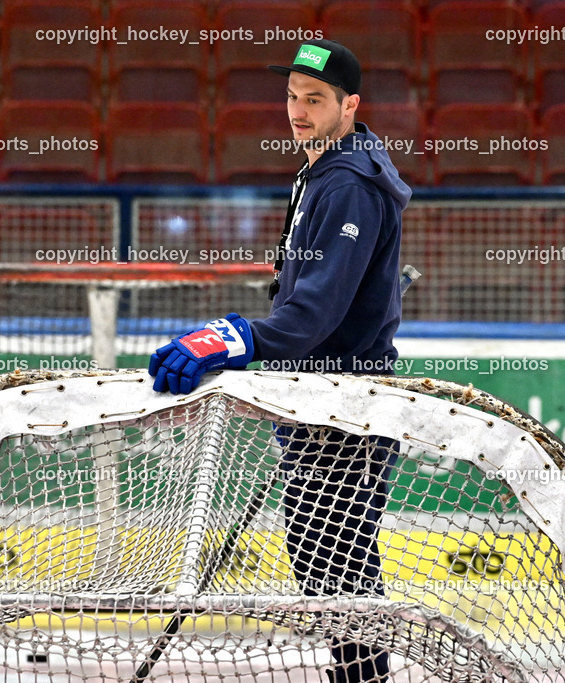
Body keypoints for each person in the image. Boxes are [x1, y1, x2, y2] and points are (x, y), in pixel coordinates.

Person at [148, 39, 411, 683]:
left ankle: (361, 678)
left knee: (336, 562)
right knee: (326, 557)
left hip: (343, 399)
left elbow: (311, 317)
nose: (297, 111)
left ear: (350, 104)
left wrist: (232, 341)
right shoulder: (328, 168)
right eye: (292, 97)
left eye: (314, 100)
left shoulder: (348, 183)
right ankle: (358, 676)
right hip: (314, 393)